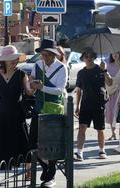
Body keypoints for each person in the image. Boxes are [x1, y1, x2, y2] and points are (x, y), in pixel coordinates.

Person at [0, 45, 33, 181]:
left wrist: (33, 86)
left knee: (23, 141)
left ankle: (28, 172)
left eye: (15, 58)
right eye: (11, 59)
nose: (14, 61)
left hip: (17, 113)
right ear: (4, 60)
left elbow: (28, 92)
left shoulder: (21, 74)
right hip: (1, 114)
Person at [28, 39, 68, 187]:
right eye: (43, 55)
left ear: (54, 54)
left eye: (48, 55)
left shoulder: (62, 68)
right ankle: (45, 166)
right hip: (38, 108)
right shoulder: (37, 65)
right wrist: (31, 84)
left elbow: (59, 90)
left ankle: (51, 176)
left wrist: (42, 87)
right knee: (33, 143)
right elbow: (31, 82)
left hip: (53, 109)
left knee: (52, 145)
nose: (45, 58)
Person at [74, 47, 108, 161]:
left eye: (91, 56)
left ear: (94, 57)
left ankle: (102, 150)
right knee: (82, 128)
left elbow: (110, 82)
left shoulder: (100, 69)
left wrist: (105, 71)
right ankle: (79, 152)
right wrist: (77, 106)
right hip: (85, 104)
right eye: (86, 56)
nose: (88, 58)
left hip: (98, 103)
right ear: (83, 58)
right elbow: (78, 91)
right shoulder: (81, 73)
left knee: (100, 129)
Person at [105, 51, 120, 154]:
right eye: (113, 53)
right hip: (111, 91)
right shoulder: (109, 65)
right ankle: (113, 133)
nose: (115, 55)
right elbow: (107, 78)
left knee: (118, 112)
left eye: (117, 53)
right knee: (110, 112)